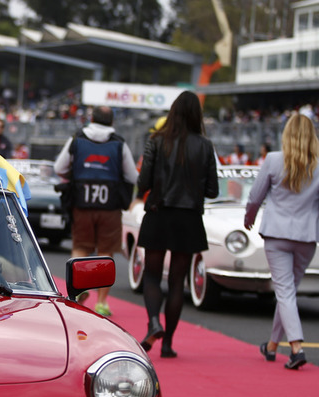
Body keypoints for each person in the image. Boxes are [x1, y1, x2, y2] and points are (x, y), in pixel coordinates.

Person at [135, 90, 218, 357]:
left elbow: (144, 180)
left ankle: (153, 322)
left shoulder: (156, 141)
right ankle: (168, 343)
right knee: (177, 281)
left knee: (151, 274)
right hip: (189, 218)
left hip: (159, 213)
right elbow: (214, 190)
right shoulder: (205, 145)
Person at [244, 113, 319, 370]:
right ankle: (273, 345)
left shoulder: (274, 159)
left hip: (277, 234)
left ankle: (296, 346)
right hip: (307, 236)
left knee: (285, 291)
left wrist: (249, 218)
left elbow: (255, 196)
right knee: (288, 292)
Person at [53, 105, 138, 317]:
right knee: (105, 252)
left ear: (91, 118)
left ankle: (78, 290)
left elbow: (59, 168)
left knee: (80, 247)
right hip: (110, 207)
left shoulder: (77, 139)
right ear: (112, 122)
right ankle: (102, 302)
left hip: (81, 204)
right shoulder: (119, 143)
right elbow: (132, 177)